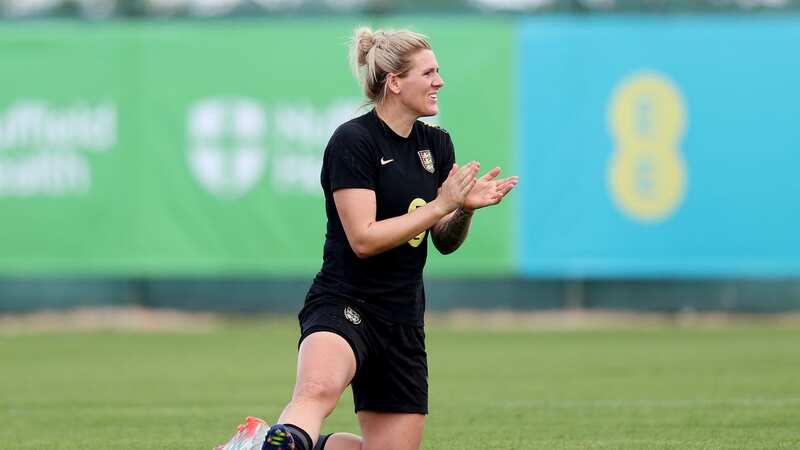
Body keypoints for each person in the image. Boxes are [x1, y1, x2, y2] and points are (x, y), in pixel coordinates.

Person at [216, 26, 518, 450]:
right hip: (345, 302)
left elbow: (444, 241)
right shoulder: (353, 141)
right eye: (428, 72)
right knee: (316, 392)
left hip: (402, 318)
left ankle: (261, 442)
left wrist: (462, 209)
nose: (440, 81)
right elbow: (364, 239)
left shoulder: (437, 143)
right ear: (394, 82)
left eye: (439, 71)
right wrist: (439, 205)